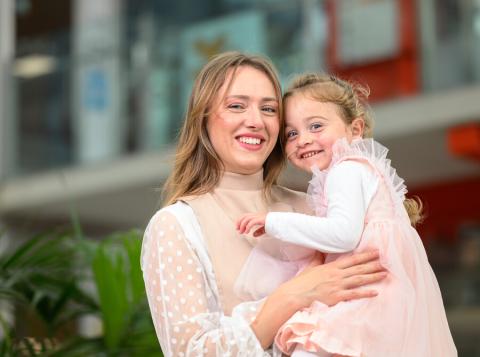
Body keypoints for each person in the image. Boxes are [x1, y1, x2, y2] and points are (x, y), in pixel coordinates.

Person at [140, 52, 387, 357]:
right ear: (202, 118)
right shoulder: (176, 226)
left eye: (269, 109)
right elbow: (190, 352)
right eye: (236, 106)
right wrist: (293, 296)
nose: (256, 121)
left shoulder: (317, 206)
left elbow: (378, 304)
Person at [236, 73, 457, 356]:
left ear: (355, 130)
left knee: (313, 345)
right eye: (291, 134)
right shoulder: (356, 170)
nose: (303, 140)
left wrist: (273, 222)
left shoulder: (346, 170)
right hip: (386, 297)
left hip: (369, 295)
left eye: (315, 126)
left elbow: (343, 234)